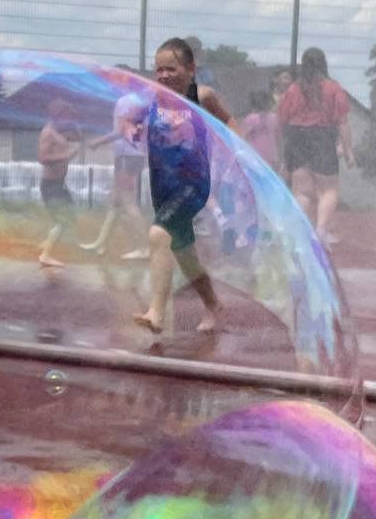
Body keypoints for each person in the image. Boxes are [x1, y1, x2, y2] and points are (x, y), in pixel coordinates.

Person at [129, 38, 222, 334]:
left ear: (191, 69)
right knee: (185, 254)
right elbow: (131, 121)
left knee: (159, 234)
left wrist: (240, 154)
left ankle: (156, 312)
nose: (164, 75)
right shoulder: (151, 99)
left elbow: (229, 122)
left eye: (171, 68)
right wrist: (132, 130)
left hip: (192, 184)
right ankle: (213, 305)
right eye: (159, 69)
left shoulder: (202, 96)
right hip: (162, 185)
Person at [278, 48, 354, 246]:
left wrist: (284, 154)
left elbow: (283, 121)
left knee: (301, 191)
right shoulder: (332, 88)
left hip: (296, 137)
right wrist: (348, 150)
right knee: (329, 189)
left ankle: (300, 234)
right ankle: (320, 229)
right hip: (322, 136)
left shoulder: (293, 89)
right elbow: (342, 121)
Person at [79, 92, 149, 260]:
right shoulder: (143, 101)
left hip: (125, 155)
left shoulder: (124, 101)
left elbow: (121, 131)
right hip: (137, 154)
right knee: (116, 200)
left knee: (127, 201)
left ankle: (144, 247)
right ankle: (101, 243)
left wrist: (97, 142)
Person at [37, 100, 80, 267]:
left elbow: (77, 136)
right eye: (66, 117)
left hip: (60, 183)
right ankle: (45, 255)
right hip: (50, 184)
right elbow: (42, 158)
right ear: (58, 115)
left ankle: (46, 244)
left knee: (69, 216)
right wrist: (66, 156)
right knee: (63, 220)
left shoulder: (58, 132)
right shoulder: (48, 133)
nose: (68, 120)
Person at [241, 89, 282, 173]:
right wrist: (280, 157)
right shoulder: (274, 118)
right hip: (271, 157)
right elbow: (279, 139)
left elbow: (242, 138)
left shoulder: (250, 119)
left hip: (254, 157)